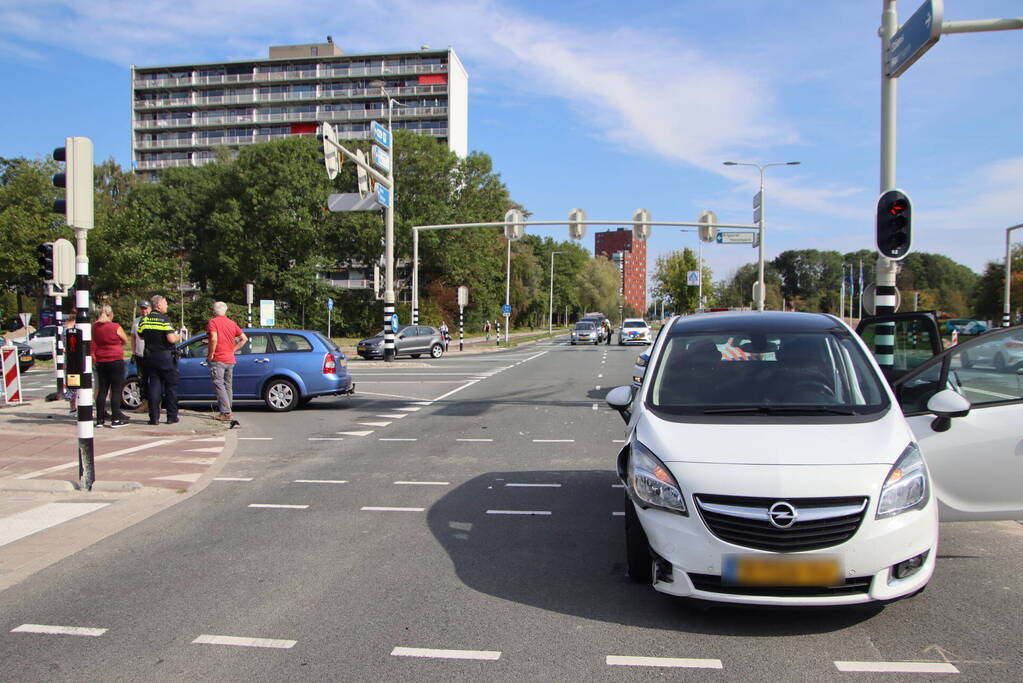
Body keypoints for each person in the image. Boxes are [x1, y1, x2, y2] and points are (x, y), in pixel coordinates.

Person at [138, 295, 181, 425]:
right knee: (170, 387)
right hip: (165, 357)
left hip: (150, 357)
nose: (167, 306)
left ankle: (154, 418)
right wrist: (179, 336)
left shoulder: (144, 320)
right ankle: (171, 416)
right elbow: (171, 339)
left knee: (154, 387)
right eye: (165, 303)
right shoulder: (164, 320)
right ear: (158, 305)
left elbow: (140, 336)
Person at [206, 301, 247, 422]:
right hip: (230, 359)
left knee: (218, 384)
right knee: (228, 385)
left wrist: (211, 353)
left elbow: (213, 338)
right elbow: (244, 339)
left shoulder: (213, 322)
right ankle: (228, 410)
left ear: (214, 311)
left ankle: (225, 412)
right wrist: (232, 350)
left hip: (218, 358)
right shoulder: (232, 323)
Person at [92, 304, 129, 427]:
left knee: (102, 390)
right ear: (110, 314)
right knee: (116, 390)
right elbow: (125, 340)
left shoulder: (94, 327)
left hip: (101, 360)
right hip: (115, 360)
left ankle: (100, 420)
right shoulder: (115, 326)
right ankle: (116, 419)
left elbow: (94, 341)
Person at [130, 300, 151, 414]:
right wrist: (133, 352)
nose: (144, 311)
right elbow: (133, 337)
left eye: (146, 308)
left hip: (151, 355)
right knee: (141, 380)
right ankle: (144, 403)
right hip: (140, 355)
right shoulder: (136, 321)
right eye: (142, 308)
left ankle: (153, 403)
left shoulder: (153, 320)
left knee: (152, 379)